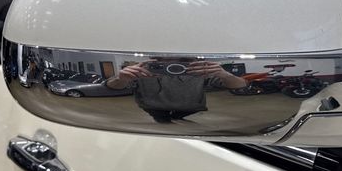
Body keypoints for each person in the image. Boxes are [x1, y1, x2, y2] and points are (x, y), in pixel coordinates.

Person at [105, 59, 246, 123]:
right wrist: (121, 78)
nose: (172, 67)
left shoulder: (199, 69)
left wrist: (225, 75)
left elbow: (240, 85)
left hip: (191, 110)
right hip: (153, 108)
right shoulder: (144, 69)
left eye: (181, 62)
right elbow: (113, 87)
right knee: (163, 123)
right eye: (163, 63)